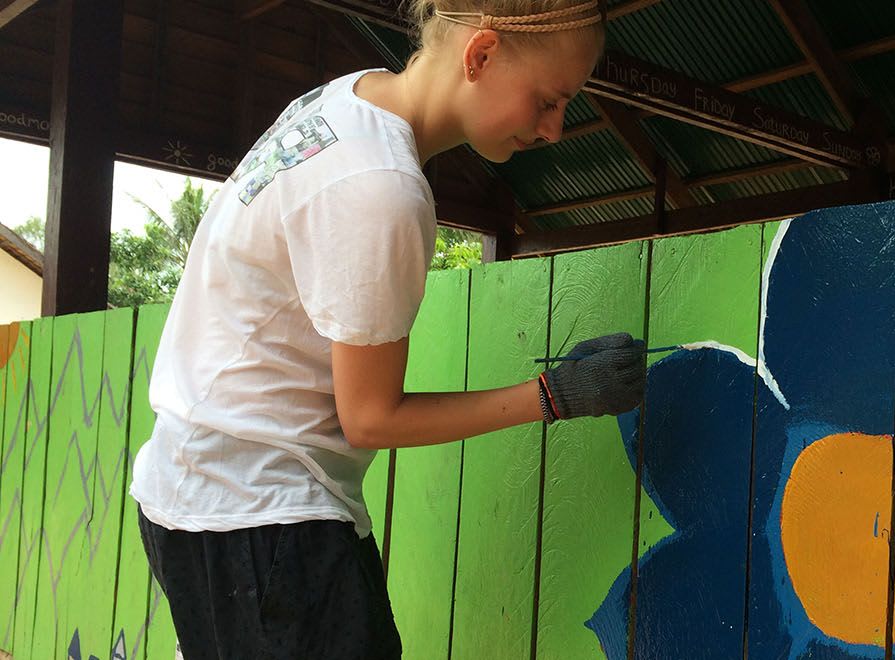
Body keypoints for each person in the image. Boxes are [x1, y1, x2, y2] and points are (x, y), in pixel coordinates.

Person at [128, 2, 642, 658]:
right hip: (262, 521)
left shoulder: (340, 100)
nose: (555, 130)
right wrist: (554, 395)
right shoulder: (383, 188)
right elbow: (369, 418)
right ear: (479, 55)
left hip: (187, 492)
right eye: (548, 100)